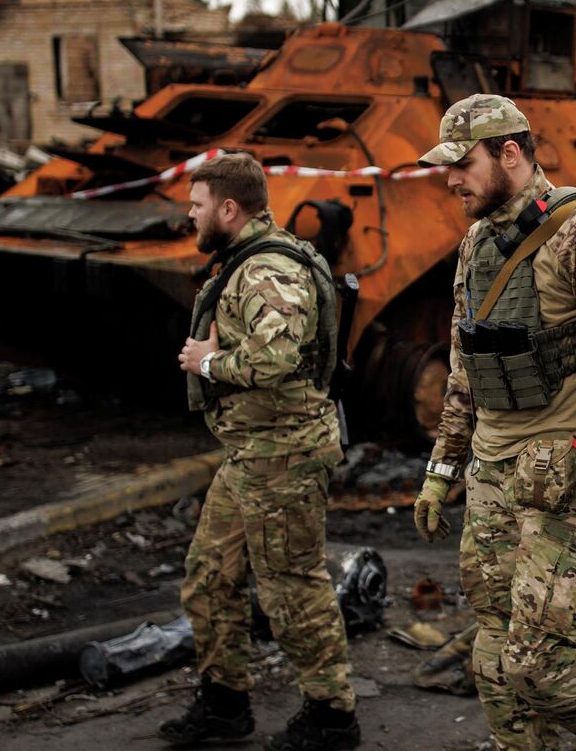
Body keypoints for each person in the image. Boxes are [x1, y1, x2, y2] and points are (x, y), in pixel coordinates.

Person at [410, 94, 576, 751]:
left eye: (463, 164)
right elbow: (462, 363)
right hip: (490, 469)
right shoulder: (476, 241)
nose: (451, 180)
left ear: (510, 153)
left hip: (560, 470)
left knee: (538, 662)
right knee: (493, 656)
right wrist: (441, 467)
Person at [168, 153, 361, 750]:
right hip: (251, 452)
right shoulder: (243, 261)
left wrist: (208, 361)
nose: (191, 216)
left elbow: (275, 358)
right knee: (210, 574)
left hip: (284, 454)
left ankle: (332, 715)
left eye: (197, 206)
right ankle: (225, 703)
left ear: (229, 208)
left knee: (291, 583)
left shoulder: (266, 272)